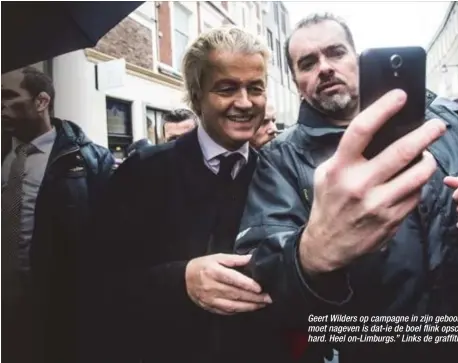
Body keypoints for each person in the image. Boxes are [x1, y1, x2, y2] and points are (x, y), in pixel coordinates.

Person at [234, 13, 458, 362]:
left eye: (335, 53)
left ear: (357, 61)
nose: (324, 68)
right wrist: (309, 254)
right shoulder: (280, 160)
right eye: (307, 63)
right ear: (296, 81)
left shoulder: (442, 123)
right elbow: (260, 272)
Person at [87, 26, 287, 363]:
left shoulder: (277, 173)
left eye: (255, 88)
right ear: (196, 96)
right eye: (227, 88)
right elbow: (98, 281)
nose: (245, 102)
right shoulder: (143, 172)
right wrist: (181, 280)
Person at [1, 66, 115, 363]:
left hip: (58, 305)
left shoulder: (90, 160)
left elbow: (109, 237)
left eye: (8, 97)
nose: (1, 106)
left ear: (41, 102)